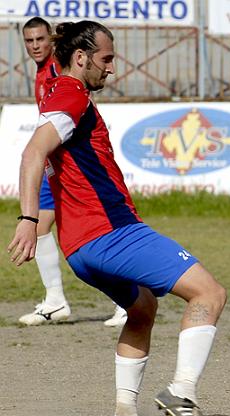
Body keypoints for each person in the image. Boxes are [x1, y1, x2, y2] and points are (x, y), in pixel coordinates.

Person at [7, 20, 226, 416]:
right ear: (82, 57)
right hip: (111, 234)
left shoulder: (57, 90)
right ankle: (183, 393)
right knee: (209, 295)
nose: (112, 68)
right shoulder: (71, 93)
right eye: (106, 59)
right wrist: (29, 219)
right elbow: (34, 151)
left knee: (142, 308)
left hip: (80, 248)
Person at [19, 16, 128, 328]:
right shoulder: (42, 72)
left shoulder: (59, 68)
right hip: (56, 160)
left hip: (68, 162)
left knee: (84, 229)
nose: (36, 46)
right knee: (49, 228)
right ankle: (56, 300)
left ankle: (124, 299)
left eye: (41, 39)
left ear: (52, 43)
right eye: (30, 41)